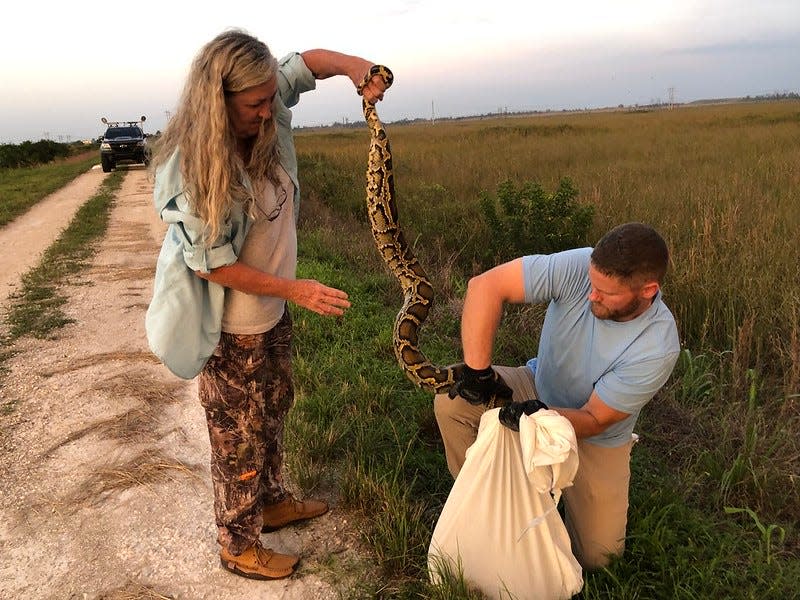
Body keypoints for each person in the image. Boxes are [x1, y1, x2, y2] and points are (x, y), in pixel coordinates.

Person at [145, 29, 389, 580]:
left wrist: (356, 68)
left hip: (271, 315)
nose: (267, 113)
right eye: (255, 105)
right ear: (219, 101)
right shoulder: (196, 167)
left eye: (268, 99)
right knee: (238, 438)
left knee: (275, 408)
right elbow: (212, 265)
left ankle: (273, 503)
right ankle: (237, 543)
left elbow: (307, 63)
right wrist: (297, 289)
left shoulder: (262, 100)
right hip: (233, 329)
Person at [434, 222, 680, 570]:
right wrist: (478, 374)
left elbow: (594, 420)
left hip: (594, 437)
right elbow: (485, 286)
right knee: (454, 402)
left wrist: (535, 417)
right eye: (592, 284)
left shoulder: (657, 346)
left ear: (648, 290)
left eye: (605, 293)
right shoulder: (581, 266)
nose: (591, 295)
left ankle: (552, 492)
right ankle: (484, 500)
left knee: (599, 559)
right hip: (536, 385)